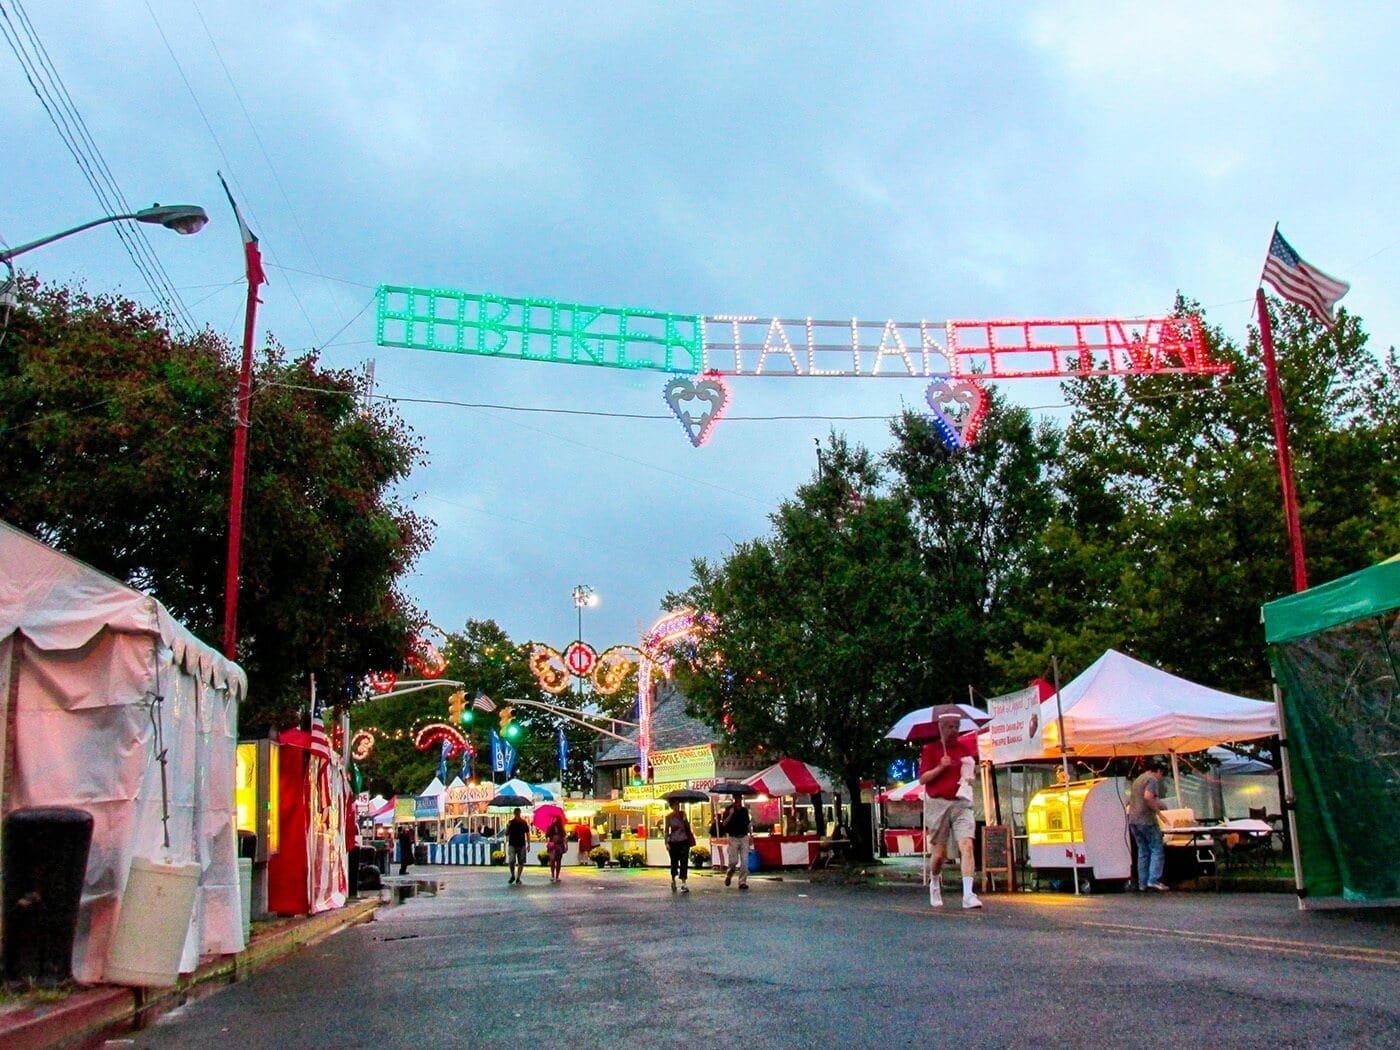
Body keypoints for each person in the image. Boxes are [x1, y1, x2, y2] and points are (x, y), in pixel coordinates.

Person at [917, 713, 982, 909]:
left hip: (961, 803)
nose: (954, 730)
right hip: (938, 803)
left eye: (957, 726)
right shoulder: (930, 749)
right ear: (941, 728)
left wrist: (970, 771)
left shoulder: (963, 749)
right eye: (950, 726)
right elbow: (923, 779)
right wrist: (940, 767)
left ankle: (968, 894)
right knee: (939, 854)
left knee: (967, 845)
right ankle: (935, 881)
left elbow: (969, 772)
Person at [1128, 760, 1171, 891]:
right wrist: (1159, 813)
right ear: (1158, 771)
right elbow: (1148, 797)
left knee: (1143, 851)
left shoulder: (1138, 780)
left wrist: (1162, 804)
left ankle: (1142, 883)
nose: (1161, 778)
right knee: (1156, 848)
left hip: (1133, 819)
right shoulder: (1151, 780)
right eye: (1161, 775)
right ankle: (1153, 880)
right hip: (1146, 819)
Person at [664, 799, 694, 893]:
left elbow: (688, 828)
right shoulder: (669, 817)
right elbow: (666, 830)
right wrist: (666, 842)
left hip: (684, 841)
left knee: (684, 862)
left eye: (678, 804)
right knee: (674, 862)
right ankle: (673, 878)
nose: (678, 806)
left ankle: (684, 883)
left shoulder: (683, 814)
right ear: (672, 806)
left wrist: (685, 820)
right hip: (673, 842)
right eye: (676, 805)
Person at [720, 798, 751, 889]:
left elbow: (748, 823)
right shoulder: (728, 810)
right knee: (733, 861)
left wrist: (750, 834)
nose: (738, 802)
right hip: (733, 837)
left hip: (744, 837)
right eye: (737, 800)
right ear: (734, 800)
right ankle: (729, 874)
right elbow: (724, 824)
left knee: (745, 861)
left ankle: (742, 882)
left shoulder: (744, 810)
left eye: (740, 800)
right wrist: (730, 814)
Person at [505, 807, 530, 885]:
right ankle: (513, 875)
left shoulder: (523, 822)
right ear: (514, 814)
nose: (517, 815)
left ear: (520, 813)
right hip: (512, 844)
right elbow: (506, 833)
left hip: (521, 844)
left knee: (521, 861)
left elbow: (527, 833)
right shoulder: (511, 822)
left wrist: (528, 844)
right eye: (516, 813)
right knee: (511, 860)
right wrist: (508, 827)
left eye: (518, 813)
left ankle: (518, 878)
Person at [546, 814, 567, 883]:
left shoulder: (561, 828)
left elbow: (564, 837)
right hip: (553, 846)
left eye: (555, 819)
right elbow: (547, 835)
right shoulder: (551, 827)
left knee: (558, 861)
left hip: (559, 845)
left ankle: (557, 876)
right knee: (552, 861)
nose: (554, 820)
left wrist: (565, 845)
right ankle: (553, 875)